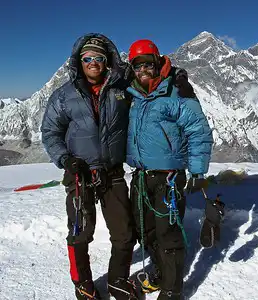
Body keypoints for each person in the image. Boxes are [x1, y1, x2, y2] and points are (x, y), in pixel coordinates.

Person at [41, 33, 140, 300]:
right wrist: (65, 160)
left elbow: (150, 79)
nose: (93, 62)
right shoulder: (63, 96)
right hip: (79, 174)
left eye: (99, 57)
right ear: (79, 61)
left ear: (107, 61)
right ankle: (83, 284)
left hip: (113, 172)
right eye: (88, 58)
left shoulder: (122, 89)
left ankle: (117, 280)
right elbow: (50, 132)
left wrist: (175, 76)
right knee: (79, 233)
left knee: (124, 233)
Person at [125, 39, 213, 300]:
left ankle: (173, 290)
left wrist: (198, 172)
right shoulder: (133, 94)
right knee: (145, 231)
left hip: (169, 179)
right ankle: (162, 274)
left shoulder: (176, 91)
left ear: (157, 62)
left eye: (147, 64)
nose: (143, 70)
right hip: (141, 176)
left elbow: (198, 131)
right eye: (137, 65)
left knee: (169, 234)